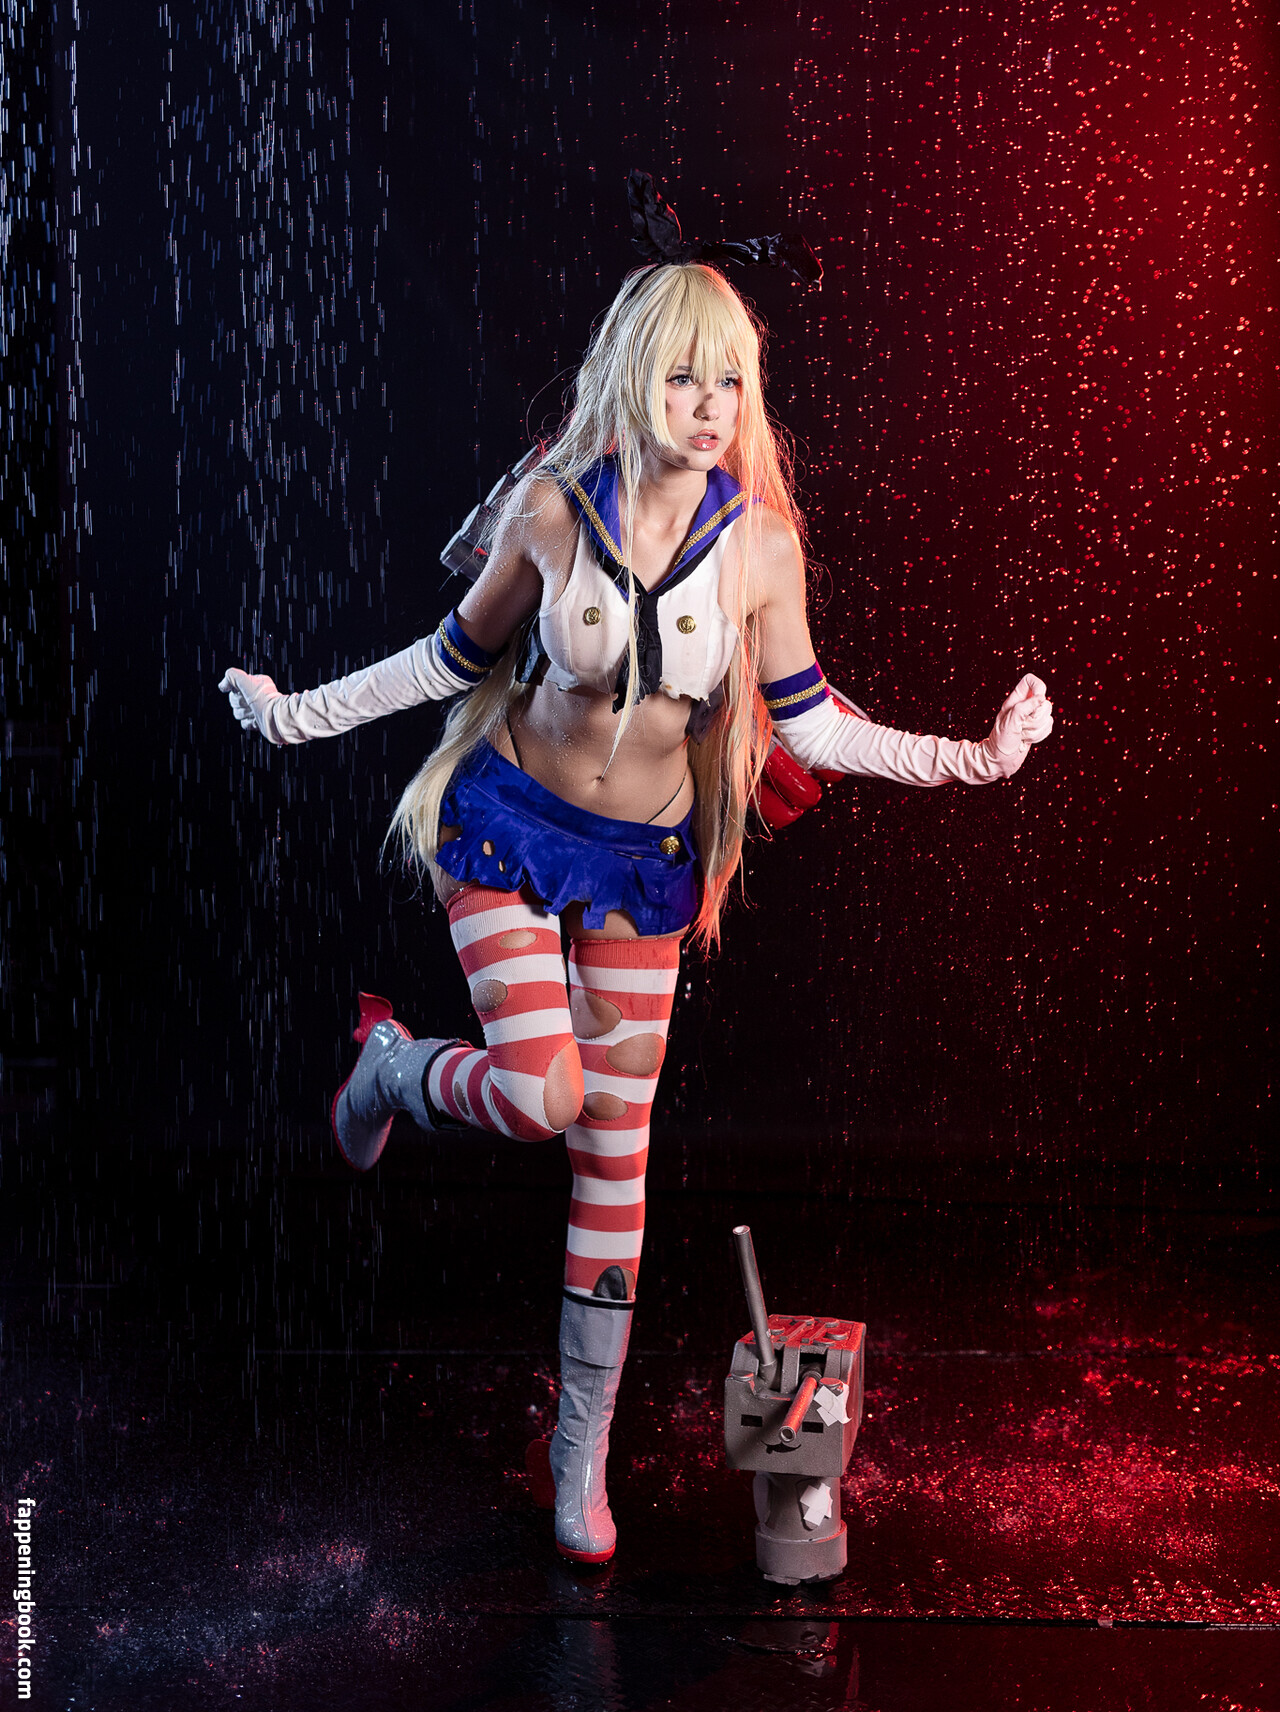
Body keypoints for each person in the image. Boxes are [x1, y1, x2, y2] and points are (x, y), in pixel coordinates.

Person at [220, 258, 1053, 1563]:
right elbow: (446, 659)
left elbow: (813, 725)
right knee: (543, 1095)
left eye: (730, 380)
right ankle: (392, 1069)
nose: (709, 404)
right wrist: (292, 716)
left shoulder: (760, 546)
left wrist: (974, 758)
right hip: (506, 828)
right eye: (680, 375)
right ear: (628, 380)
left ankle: (579, 1454)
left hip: (643, 864)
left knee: (614, 1147)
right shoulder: (551, 513)